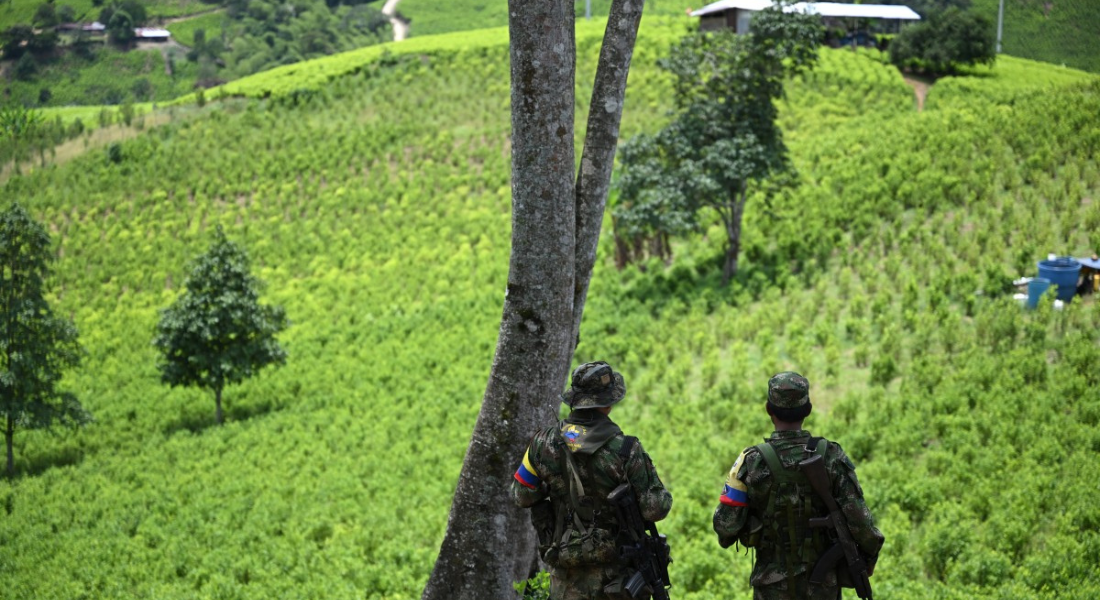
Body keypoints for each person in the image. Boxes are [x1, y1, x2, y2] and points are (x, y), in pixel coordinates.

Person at [713, 372, 884, 600]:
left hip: (771, 590)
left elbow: (725, 526)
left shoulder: (751, 461)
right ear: (808, 409)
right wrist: (868, 558)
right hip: (822, 589)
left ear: (768, 410)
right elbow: (862, 523)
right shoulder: (831, 456)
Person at [512, 361, 673, 600]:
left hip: (565, 576)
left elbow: (522, 495)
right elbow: (655, 509)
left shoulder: (541, 443)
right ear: (607, 404)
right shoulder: (626, 448)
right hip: (616, 579)